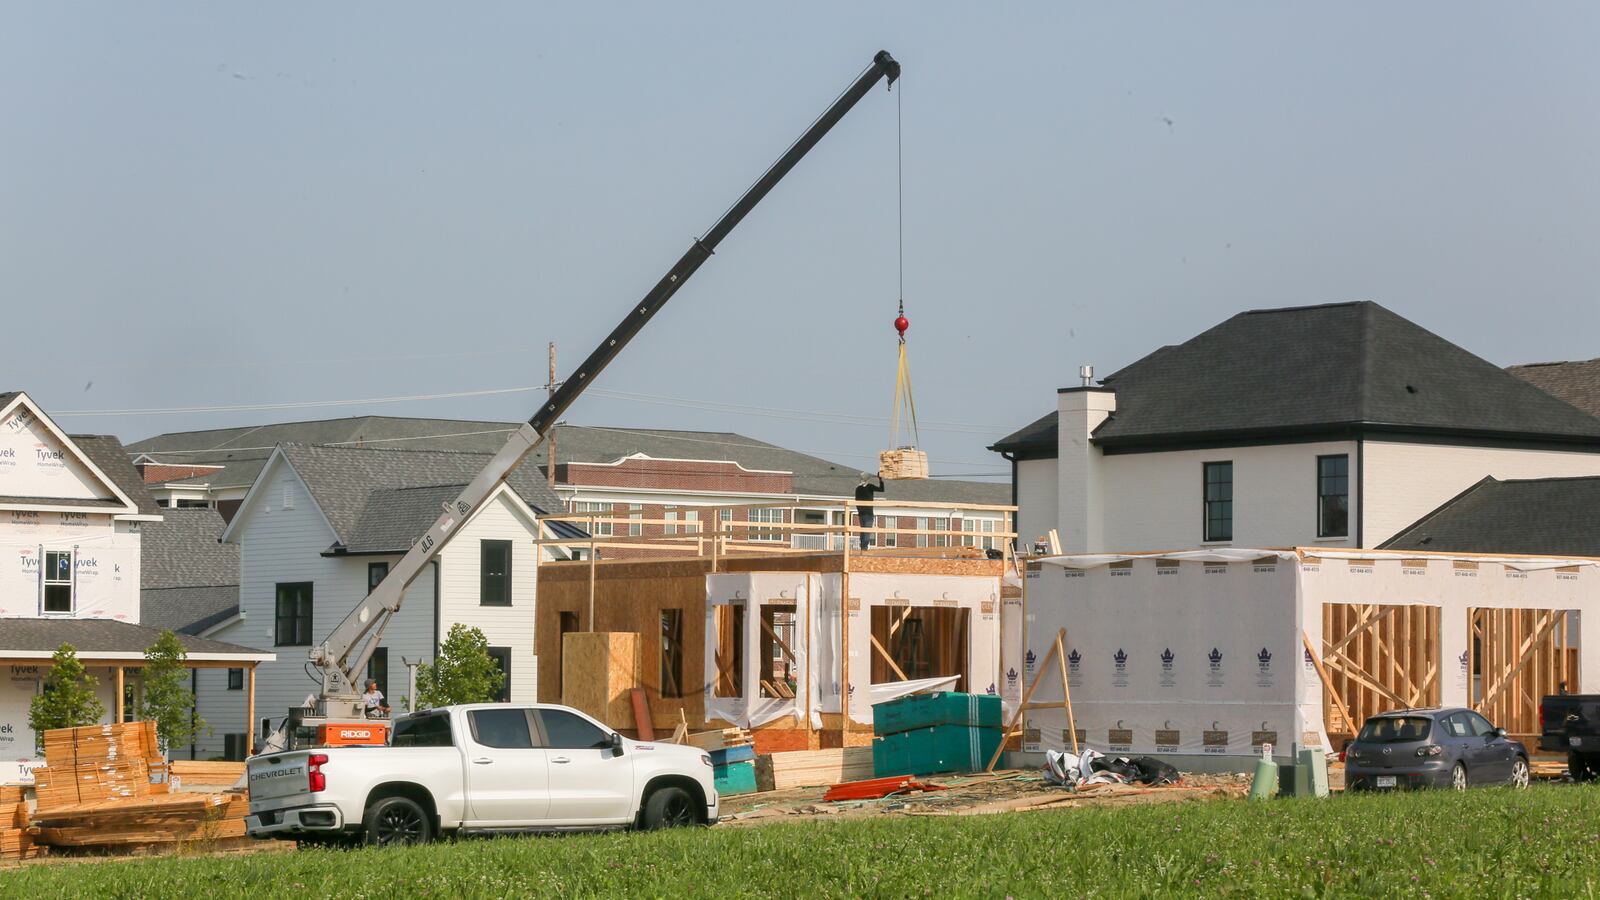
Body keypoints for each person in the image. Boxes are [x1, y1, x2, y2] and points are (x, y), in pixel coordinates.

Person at [855, 472, 885, 550]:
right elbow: (881, 489)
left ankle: (862, 546)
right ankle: (864, 547)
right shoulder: (869, 487)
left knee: (863, 530)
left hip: (861, 513)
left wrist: (859, 510)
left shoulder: (858, 488)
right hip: (868, 513)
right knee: (867, 531)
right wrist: (880, 480)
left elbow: (856, 500)